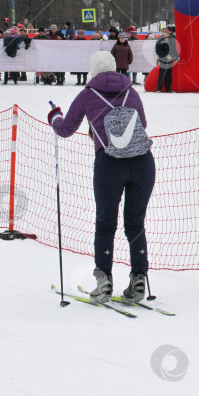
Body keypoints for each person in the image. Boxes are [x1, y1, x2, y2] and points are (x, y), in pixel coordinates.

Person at [48, 50, 155, 302]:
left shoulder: (87, 94)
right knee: (135, 224)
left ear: (92, 70)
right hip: (143, 162)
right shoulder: (131, 91)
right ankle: (139, 281)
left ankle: (104, 283)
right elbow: (144, 125)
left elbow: (65, 129)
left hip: (110, 165)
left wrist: (55, 117)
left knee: (105, 224)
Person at [155, 27, 177, 93]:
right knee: (162, 75)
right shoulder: (159, 39)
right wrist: (166, 55)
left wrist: (176, 56)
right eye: (165, 32)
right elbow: (158, 51)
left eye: (167, 32)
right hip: (163, 60)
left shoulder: (171, 39)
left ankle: (168, 89)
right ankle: (159, 89)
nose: (166, 33)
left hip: (170, 60)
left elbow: (174, 49)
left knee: (169, 75)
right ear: (162, 33)